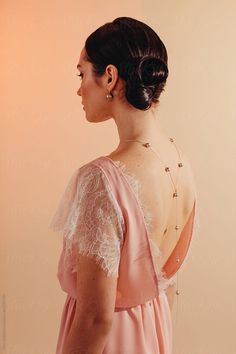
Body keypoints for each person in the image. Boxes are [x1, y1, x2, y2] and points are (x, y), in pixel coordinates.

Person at [50, 16, 199, 354]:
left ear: (111, 77)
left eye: (82, 73)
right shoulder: (181, 165)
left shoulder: (102, 180)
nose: (78, 88)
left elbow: (94, 319)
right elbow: (166, 286)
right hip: (152, 337)